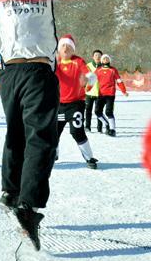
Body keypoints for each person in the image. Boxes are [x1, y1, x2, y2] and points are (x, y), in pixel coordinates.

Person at [0, 0, 59, 250]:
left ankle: (9, 191)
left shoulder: (0, 0)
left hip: (10, 74)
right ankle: (28, 206)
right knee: (41, 139)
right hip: (38, 71)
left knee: (15, 134)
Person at [54, 35, 98, 169]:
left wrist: (87, 80)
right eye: (63, 45)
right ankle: (53, 154)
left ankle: (90, 158)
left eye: (69, 46)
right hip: (59, 105)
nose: (65, 48)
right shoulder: (55, 62)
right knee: (54, 131)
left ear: (73, 50)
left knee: (77, 131)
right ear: (59, 49)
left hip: (75, 104)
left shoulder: (78, 61)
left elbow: (91, 76)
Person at [94, 54, 127, 136]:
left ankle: (112, 129)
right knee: (97, 112)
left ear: (109, 60)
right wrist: (87, 88)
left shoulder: (113, 70)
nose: (105, 59)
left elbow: (119, 81)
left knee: (109, 112)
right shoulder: (98, 70)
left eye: (107, 58)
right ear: (101, 61)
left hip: (110, 94)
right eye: (104, 58)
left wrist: (124, 91)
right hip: (101, 94)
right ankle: (107, 123)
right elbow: (92, 80)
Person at [84, 49, 103, 133]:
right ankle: (87, 127)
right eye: (96, 56)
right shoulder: (87, 65)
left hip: (100, 93)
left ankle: (100, 128)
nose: (97, 57)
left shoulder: (104, 67)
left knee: (99, 112)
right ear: (93, 57)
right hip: (89, 93)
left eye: (99, 56)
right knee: (88, 111)